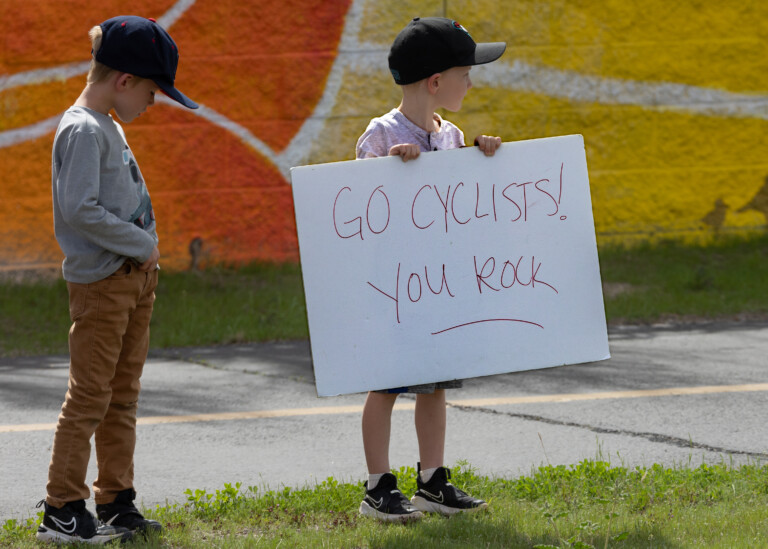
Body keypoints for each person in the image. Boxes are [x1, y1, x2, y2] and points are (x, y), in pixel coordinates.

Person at [36, 15, 198, 545]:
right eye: (152, 91)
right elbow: (79, 209)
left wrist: (145, 258)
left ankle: (116, 501)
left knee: (122, 397)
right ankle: (62, 508)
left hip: (132, 282)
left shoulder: (107, 124)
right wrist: (141, 244)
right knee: (90, 397)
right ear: (124, 80)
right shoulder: (83, 129)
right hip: (103, 285)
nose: (153, 102)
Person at [355, 17, 506, 522]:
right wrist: (389, 169)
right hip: (394, 288)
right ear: (436, 81)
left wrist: (482, 157)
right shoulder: (382, 133)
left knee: (436, 382)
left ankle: (432, 481)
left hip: (438, 288)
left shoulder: (452, 134)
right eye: (465, 73)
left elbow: (459, 206)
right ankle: (378, 486)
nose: (471, 82)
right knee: (387, 383)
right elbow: (358, 208)